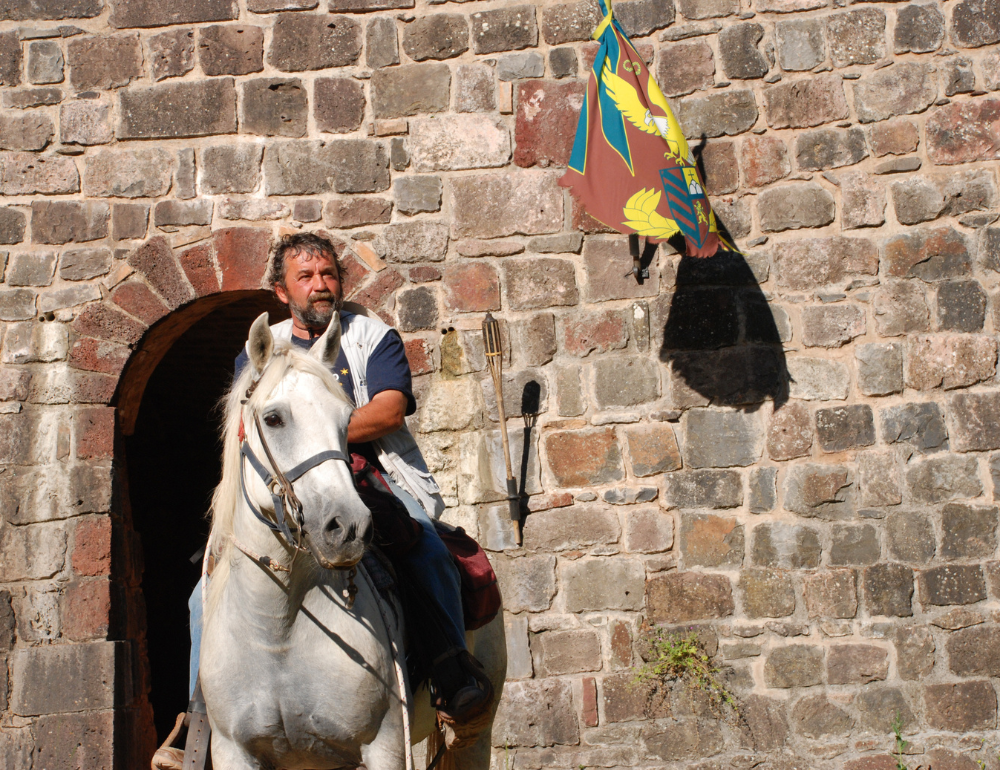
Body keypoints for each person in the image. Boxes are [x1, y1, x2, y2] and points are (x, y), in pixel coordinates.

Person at [187, 232, 490, 722]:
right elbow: (248, 426)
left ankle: (451, 674)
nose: (319, 285)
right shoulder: (260, 349)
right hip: (283, 484)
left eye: (328, 274)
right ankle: (200, 715)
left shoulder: (374, 338)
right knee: (205, 590)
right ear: (282, 292)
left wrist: (319, 432)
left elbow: (388, 412)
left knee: (430, 552)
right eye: (305, 277)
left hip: (376, 473)